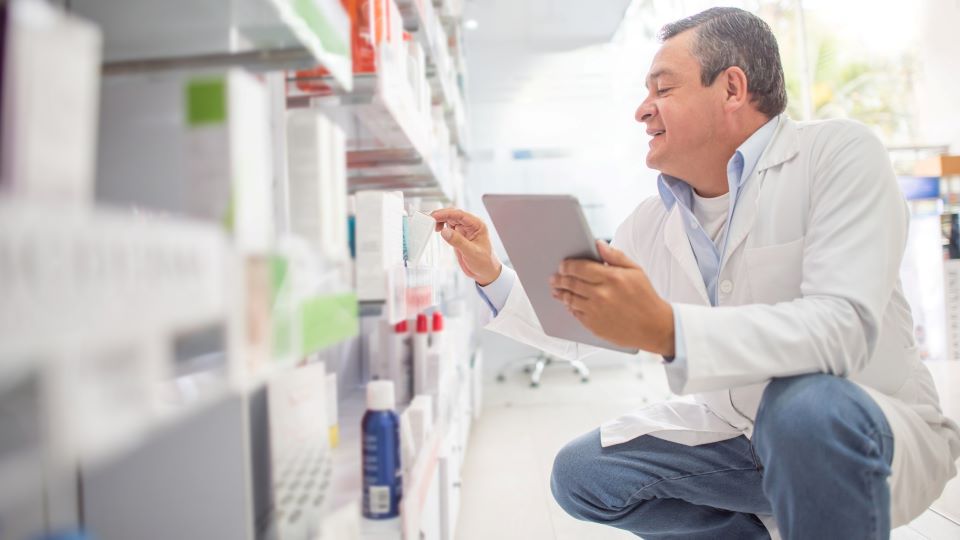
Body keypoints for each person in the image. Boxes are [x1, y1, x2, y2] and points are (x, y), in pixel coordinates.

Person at [431, 7, 960, 540]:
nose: (642, 110)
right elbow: (580, 333)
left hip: (859, 426)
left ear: (732, 88)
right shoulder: (651, 221)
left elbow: (842, 328)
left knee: (800, 408)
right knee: (582, 474)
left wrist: (666, 329)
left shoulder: (837, 154)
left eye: (662, 89)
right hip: (740, 436)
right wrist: (492, 273)